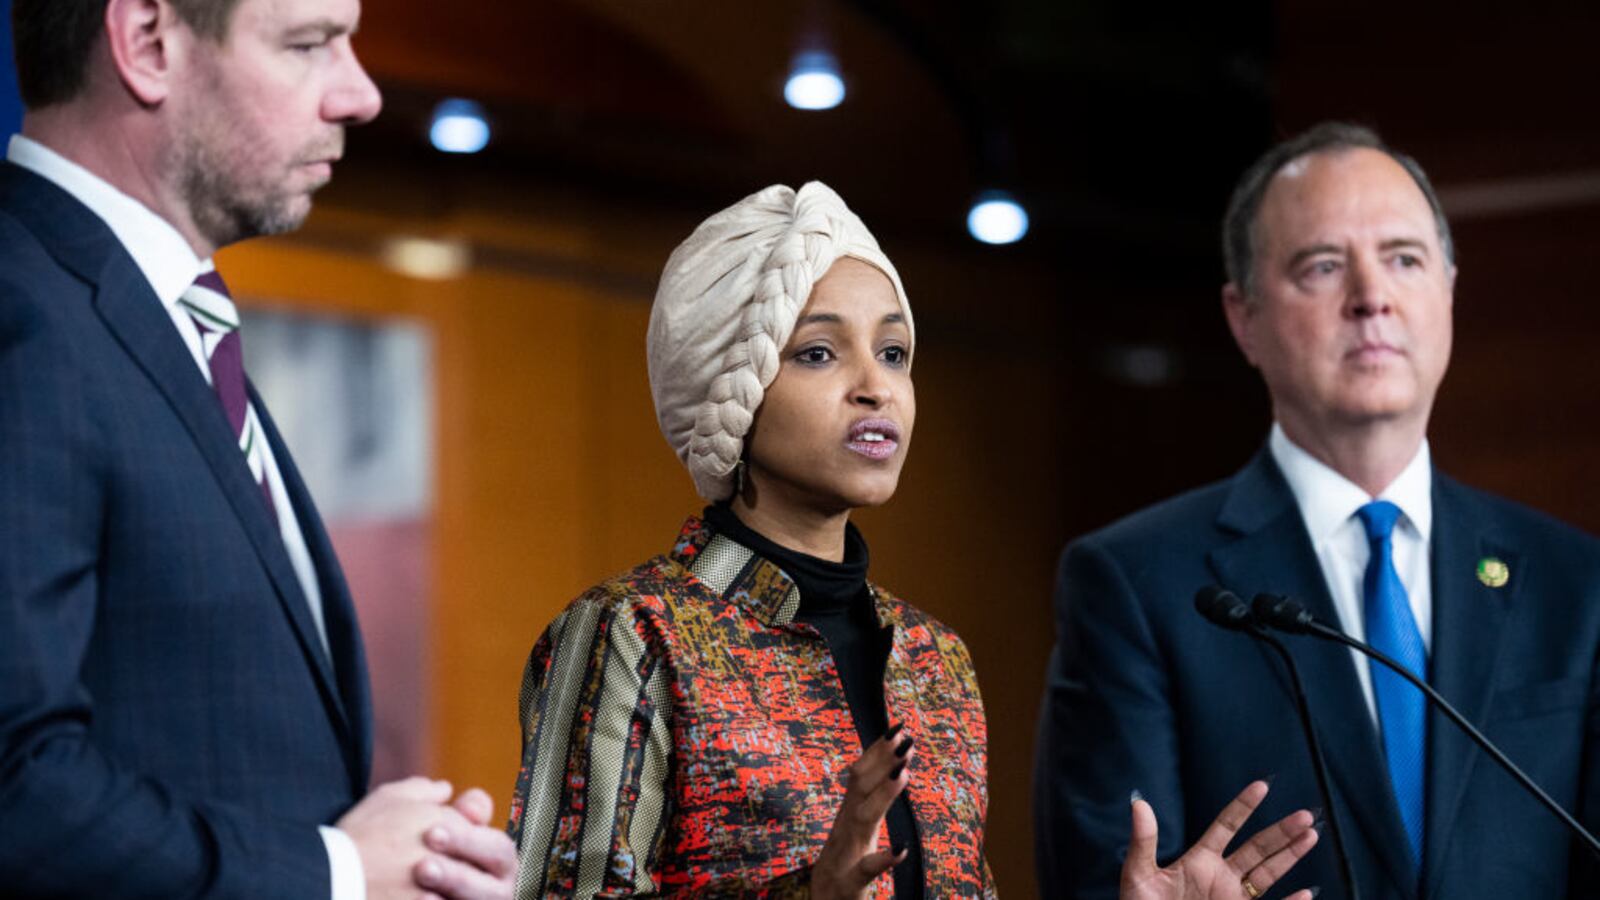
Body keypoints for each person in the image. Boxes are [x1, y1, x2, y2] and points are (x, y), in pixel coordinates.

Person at [509, 182, 1318, 898]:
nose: (876, 386)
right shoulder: (634, 632)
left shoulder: (935, 660)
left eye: (894, 352)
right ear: (730, 390)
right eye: (820, 353)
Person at [0, 0, 515, 896]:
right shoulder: (21, 309)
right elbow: (14, 781)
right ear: (149, 43)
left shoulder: (152, 318)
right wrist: (338, 871)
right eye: (309, 43)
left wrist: (405, 856)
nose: (359, 95)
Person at [1034, 121, 1600, 899]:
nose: (1372, 299)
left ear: (1448, 290)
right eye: (1324, 267)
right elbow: (1104, 880)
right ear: (1244, 320)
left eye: (1404, 259)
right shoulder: (1135, 584)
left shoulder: (1577, 582)